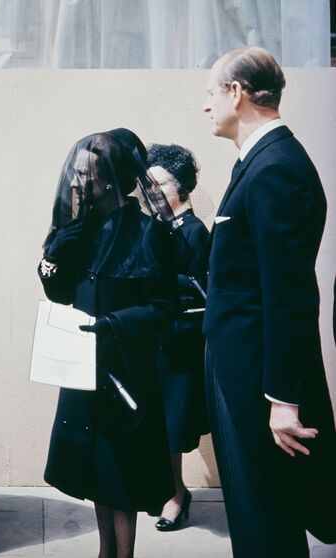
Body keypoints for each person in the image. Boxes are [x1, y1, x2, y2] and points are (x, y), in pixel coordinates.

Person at [202, 47, 336, 557]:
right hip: (240, 368)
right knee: (255, 516)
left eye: (212, 93)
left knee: (266, 522)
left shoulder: (275, 167)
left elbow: (289, 295)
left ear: (237, 93)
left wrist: (283, 399)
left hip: (257, 383)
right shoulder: (261, 162)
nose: (207, 106)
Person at [38, 130, 177, 558]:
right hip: (85, 367)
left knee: (122, 475)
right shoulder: (82, 229)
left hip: (126, 371)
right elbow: (60, 293)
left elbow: (165, 306)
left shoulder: (147, 232)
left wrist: (113, 324)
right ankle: (105, 552)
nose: (77, 182)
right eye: (77, 173)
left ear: (111, 178)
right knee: (98, 471)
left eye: (87, 174)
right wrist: (54, 256)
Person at [146, 144, 209, 531]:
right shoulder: (159, 228)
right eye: (148, 185)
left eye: (160, 184)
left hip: (182, 342)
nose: (152, 193)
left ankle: (176, 495)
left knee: (173, 425)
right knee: (160, 423)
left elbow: (201, 287)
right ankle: (170, 490)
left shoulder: (194, 231)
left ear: (181, 186)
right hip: (158, 338)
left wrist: (160, 282)